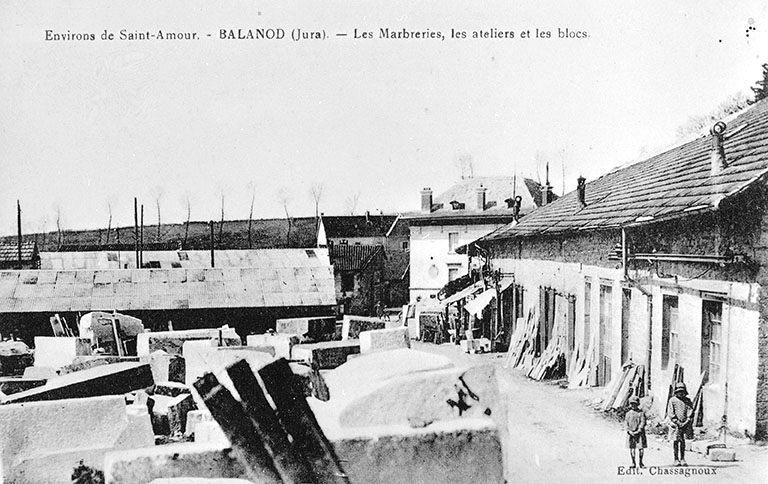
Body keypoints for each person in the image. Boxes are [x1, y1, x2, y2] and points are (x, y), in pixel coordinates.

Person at [667, 382, 694, 466]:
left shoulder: (687, 401)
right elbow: (670, 413)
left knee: (683, 441)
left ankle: (682, 458)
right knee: (676, 441)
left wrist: (687, 421)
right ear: (676, 392)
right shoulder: (672, 400)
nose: (681, 393)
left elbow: (690, 411)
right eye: (679, 392)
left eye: (682, 392)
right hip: (675, 425)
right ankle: (676, 459)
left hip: (685, 424)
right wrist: (677, 422)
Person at [625, 395, 647, 468]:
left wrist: (639, 430)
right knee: (632, 448)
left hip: (640, 434)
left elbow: (643, 422)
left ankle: (641, 462)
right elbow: (626, 423)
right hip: (631, 434)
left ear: (638, 404)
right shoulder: (628, 413)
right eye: (632, 404)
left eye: (635, 404)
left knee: (641, 449)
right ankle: (633, 463)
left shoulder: (641, 413)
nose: (633, 405)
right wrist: (629, 431)